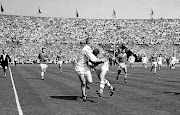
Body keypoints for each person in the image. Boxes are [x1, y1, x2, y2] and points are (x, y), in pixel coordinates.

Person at [75, 37, 105, 101]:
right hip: (80, 67)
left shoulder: (88, 48)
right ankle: (84, 95)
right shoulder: (86, 49)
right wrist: (101, 59)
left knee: (90, 81)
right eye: (92, 42)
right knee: (83, 82)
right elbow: (93, 59)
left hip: (85, 67)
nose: (93, 43)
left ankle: (87, 84)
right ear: (89, 42)